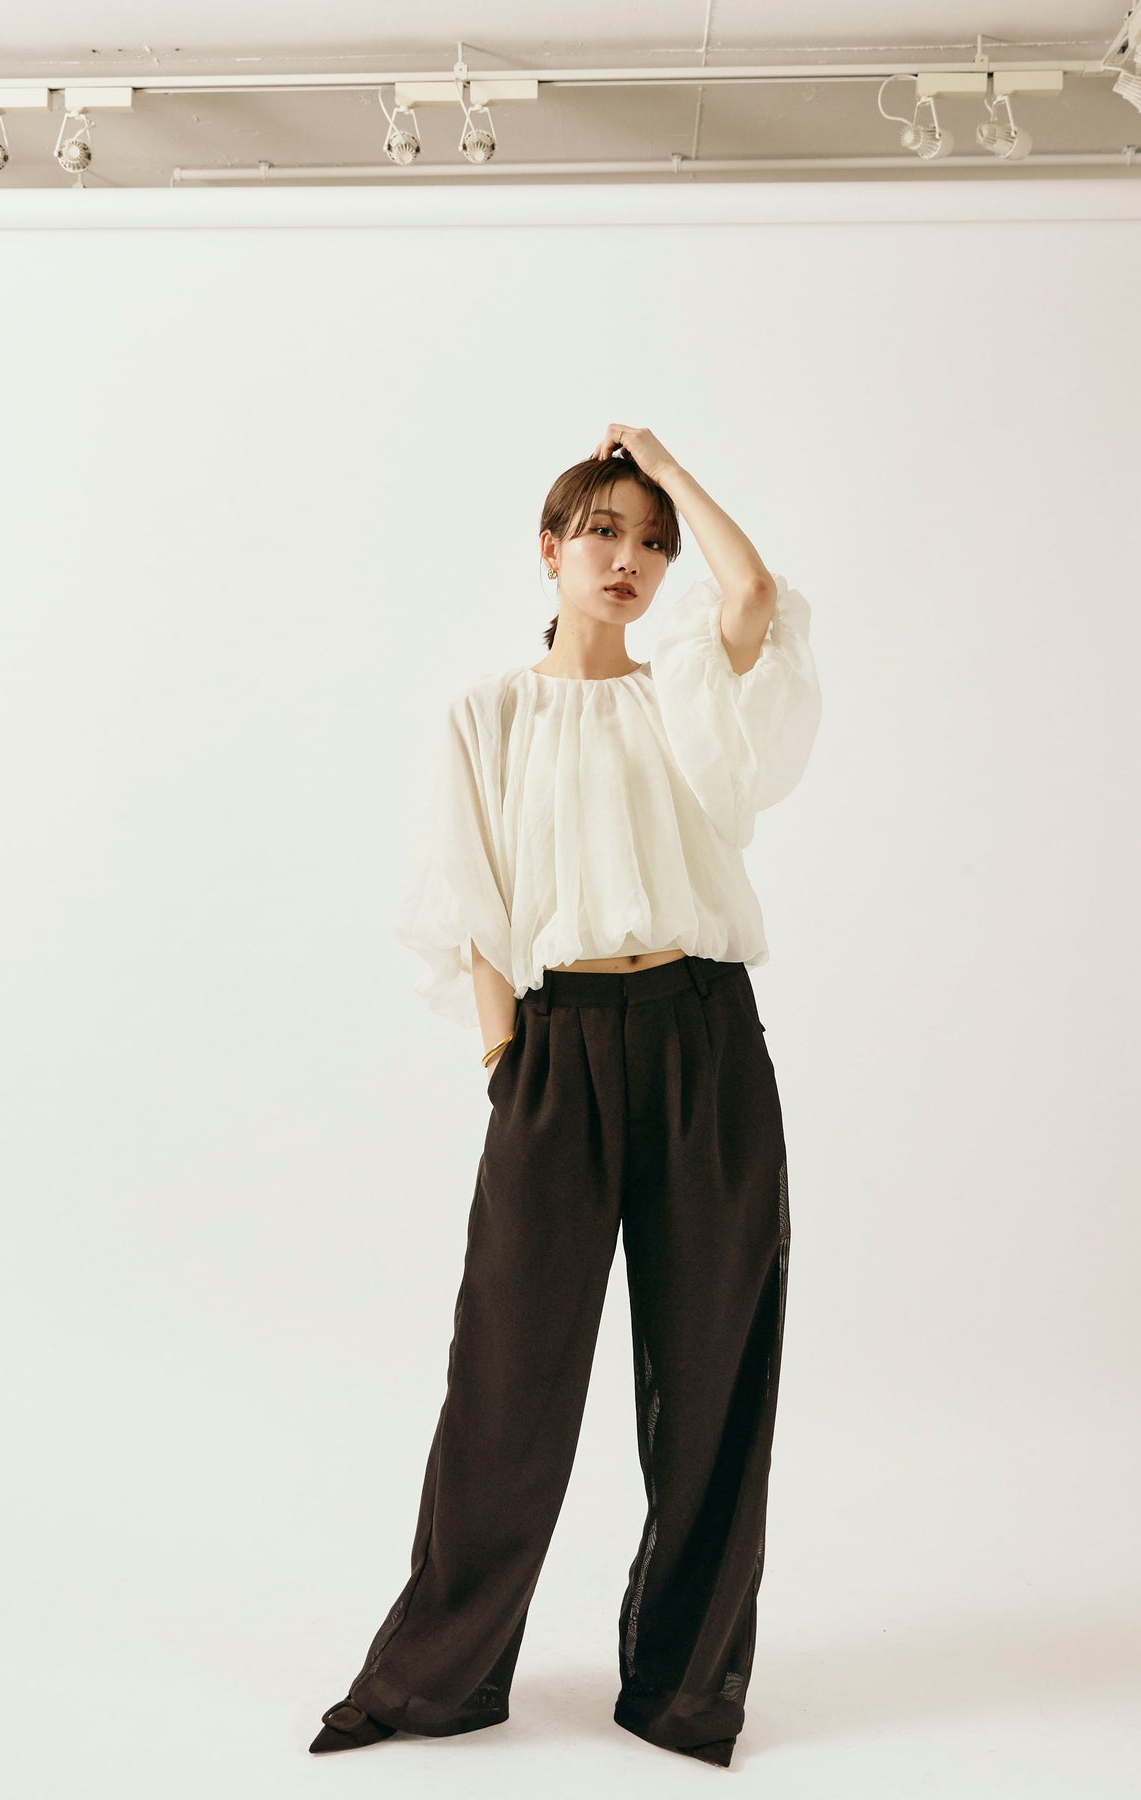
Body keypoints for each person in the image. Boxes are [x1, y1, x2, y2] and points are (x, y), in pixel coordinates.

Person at [309, 424, 823, 1767]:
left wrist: (662, 460)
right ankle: (438, 1678)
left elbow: (753, 593)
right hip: (555, 1050)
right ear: (548, 550)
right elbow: (469, 902)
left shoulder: (685, 700)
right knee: (507, 1374)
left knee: (711, 1376)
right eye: (601, 531)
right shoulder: (487, 715)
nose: (628, 559)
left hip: (705, 1043)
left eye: (651, 541)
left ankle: (683, 1690)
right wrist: (505, 1063)